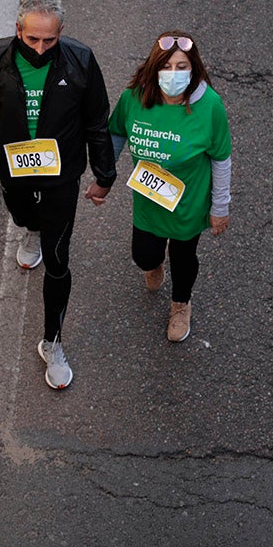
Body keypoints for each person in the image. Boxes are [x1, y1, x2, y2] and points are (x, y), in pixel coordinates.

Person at [0, 0, 116, 389]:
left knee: (58, 260)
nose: (40, 48)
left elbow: (97, 121)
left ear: (60, 34)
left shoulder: (80, 60)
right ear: (18, 30)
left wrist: (104, 176)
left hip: (61, 177)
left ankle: (53, 342)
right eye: (32, 39)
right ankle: (30, 230)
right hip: (14, 172)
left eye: (48, 40)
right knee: (24, 215)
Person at [106, 31, 231, 342]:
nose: (173, 74)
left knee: (184, 257)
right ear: (154, 67)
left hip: (189, 204)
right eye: (166, 66)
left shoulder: (210, 106)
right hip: (148, 202)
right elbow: (116, 133)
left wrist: (220, 207)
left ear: (194, 69)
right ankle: (154, 263)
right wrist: (103, 175)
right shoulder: (134, 97)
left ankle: (180, 304)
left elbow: (221, 159)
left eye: (181, 67)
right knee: (144, 257)